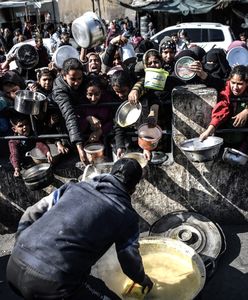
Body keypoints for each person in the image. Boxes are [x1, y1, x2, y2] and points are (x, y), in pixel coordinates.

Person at [6, 157, 153, 299]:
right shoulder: (126, 215)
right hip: (54, 282)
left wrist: (23, 247)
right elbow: (129, 260)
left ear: (111, 173)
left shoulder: (73, 187)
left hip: (13, 267)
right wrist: (142, 279)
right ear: (134, 188)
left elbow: (31, 213)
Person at [199, 65, 248, 153]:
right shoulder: (226, 91)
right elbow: (222, 108)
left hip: (243, 140)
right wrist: (209, 131)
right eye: (233, 82)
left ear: (247, 83)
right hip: (224, 139)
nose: (235, 87)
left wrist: (246, 111)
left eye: (240, 84)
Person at [52, 57, 87, 163]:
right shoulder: (59, 89)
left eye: (79, 79)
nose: (77, 83)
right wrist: (80, 147)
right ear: (64, 76)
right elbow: (69, 115)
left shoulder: (85, 79)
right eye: (72, 79)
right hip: (64, 126)